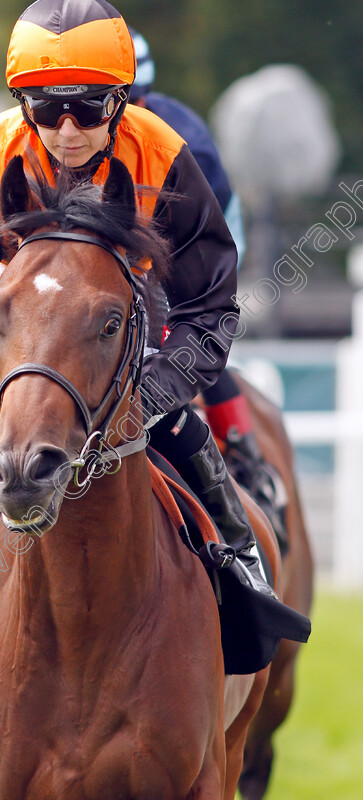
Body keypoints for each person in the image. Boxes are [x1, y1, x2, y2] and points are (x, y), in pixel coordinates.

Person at [0, 0, 274, 596]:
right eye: (43, 108)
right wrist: (6, 376)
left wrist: (157, 388)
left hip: (131, 323)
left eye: (87, 109)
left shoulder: (166, 155)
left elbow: (210, 304)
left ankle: (246, 577)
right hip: (26, 341)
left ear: (120, 99)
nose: (66, 131)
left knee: (185, 433)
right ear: (18, 102)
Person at [128, 27, 287, 546]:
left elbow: (204, 245)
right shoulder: (66, 130)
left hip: (197, 236)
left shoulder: (183, 142)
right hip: (127, 249)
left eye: (128, 102)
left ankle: (243, 451)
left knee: (189, 339)